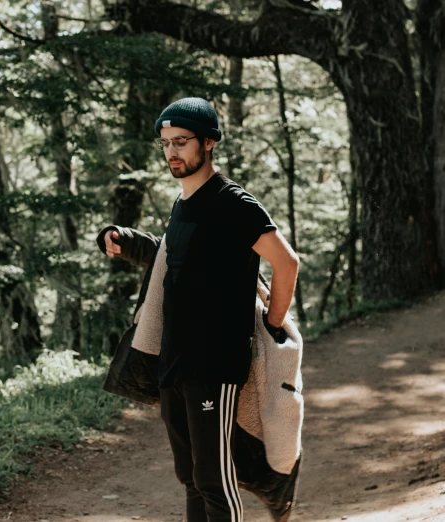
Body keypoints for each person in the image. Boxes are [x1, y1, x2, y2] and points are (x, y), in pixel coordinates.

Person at [97, 97, 299, 522]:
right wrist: (124, 237)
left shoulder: (233, 204)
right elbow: (171, 257)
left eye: (181, 142)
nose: (172, 151)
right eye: (166, 143)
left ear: (208, 143)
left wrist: (274, 321)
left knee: (212, 476)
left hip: (214, 362)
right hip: (174, 358)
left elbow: (286, 262)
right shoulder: (184, 203)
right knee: (189, 475)